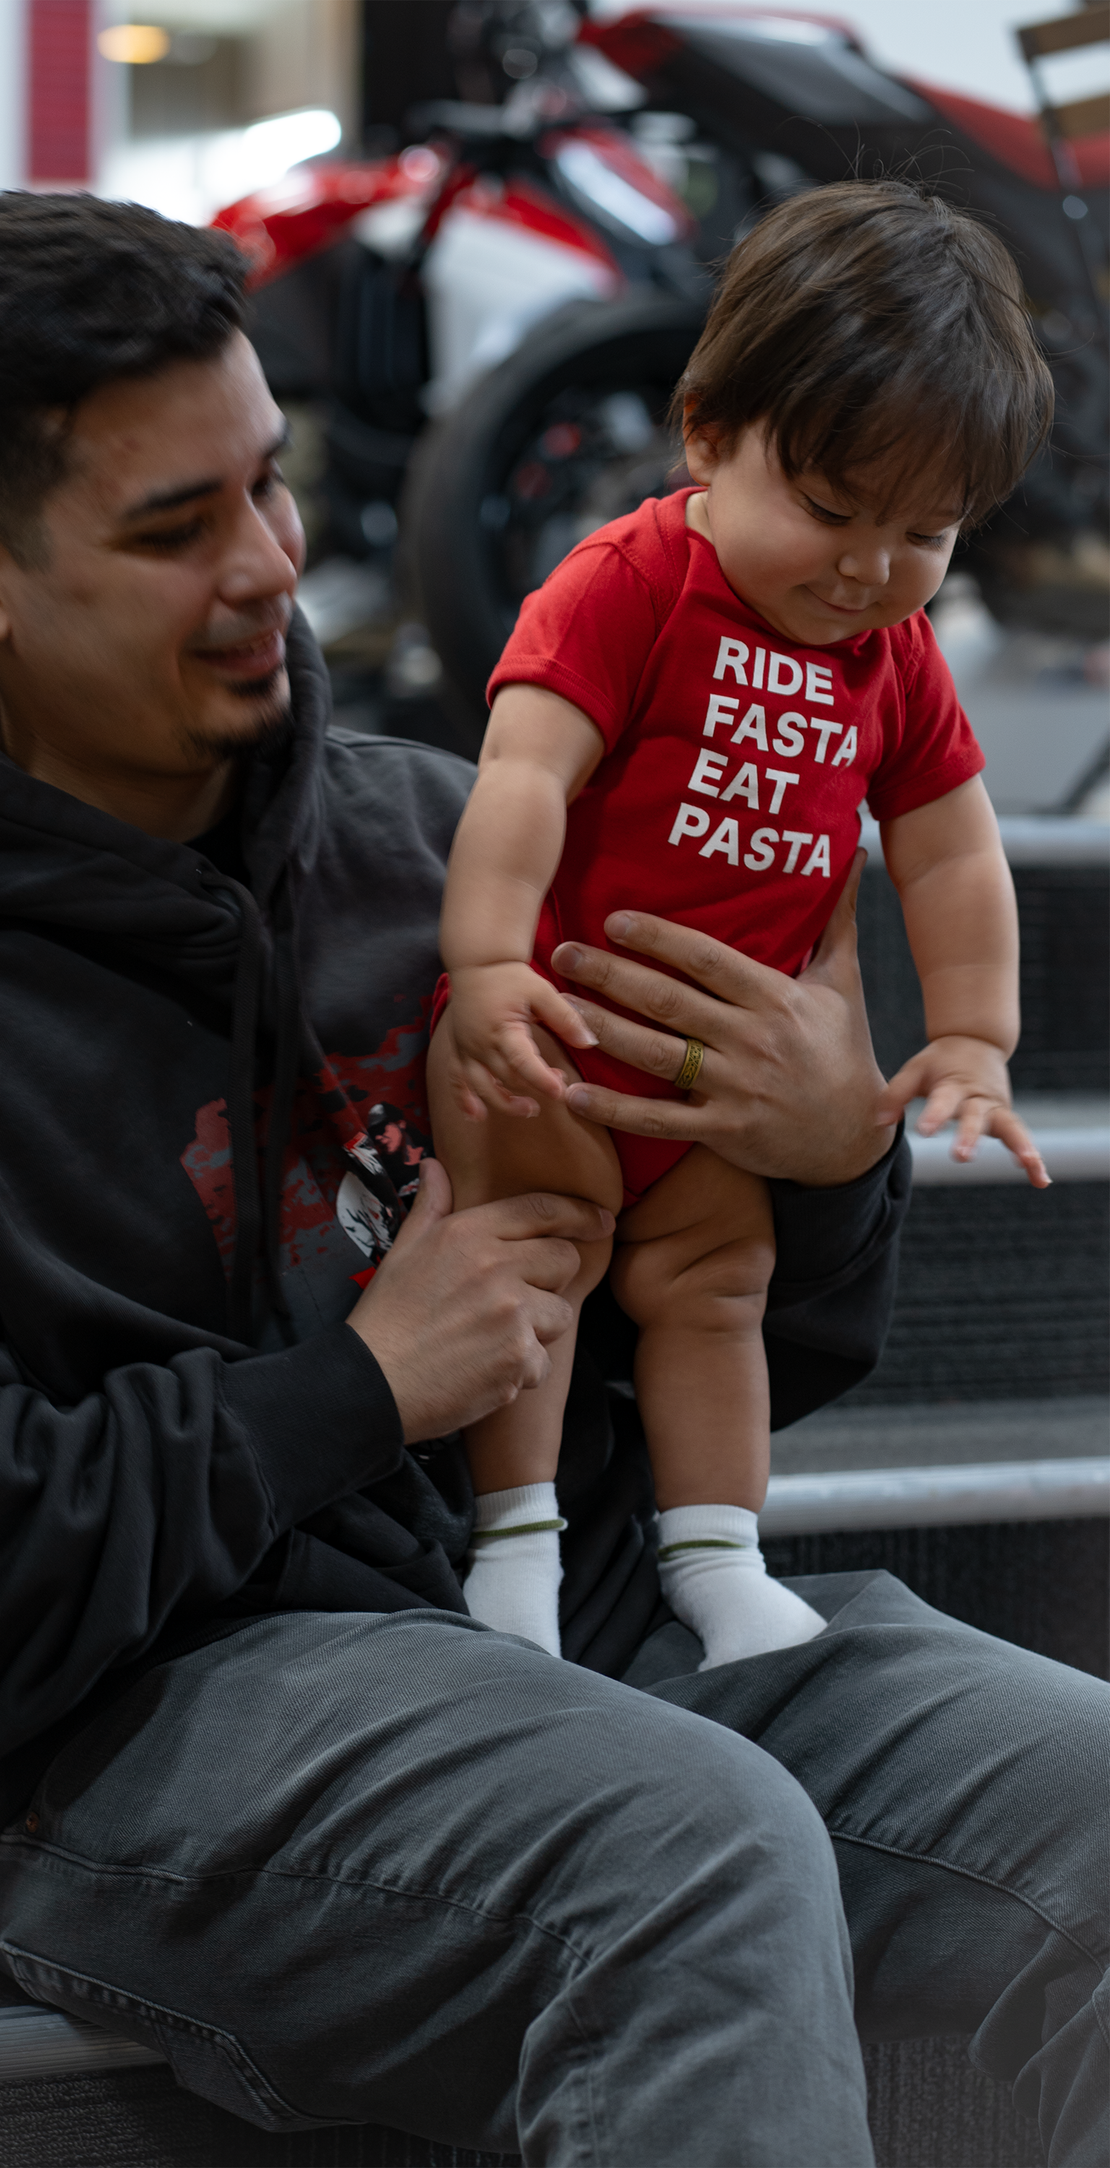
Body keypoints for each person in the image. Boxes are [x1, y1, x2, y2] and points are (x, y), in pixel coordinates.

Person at [0, 193, 1104, 2168]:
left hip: (588, 1607)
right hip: (163, 1728)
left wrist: (825, 1151)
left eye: (270, 483)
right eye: (175, 527)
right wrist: (355, 1385)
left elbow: (790, 1342)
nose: (272, 563)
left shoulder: (449, 841)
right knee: (684, 1858)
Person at [433, 180, 1054, 1664]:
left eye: (925, 531)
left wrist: (973, 1034)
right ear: (708, 433)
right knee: (534, 1259)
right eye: (831, 510)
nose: (868, 568)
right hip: (557, 1040)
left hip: (721, 1086)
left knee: (717, 1292)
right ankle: (514, 1546)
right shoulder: (633, 584)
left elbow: (952, 850)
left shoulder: (892, 654)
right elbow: (522, 773)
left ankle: (718, 1558)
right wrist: (487, 964)